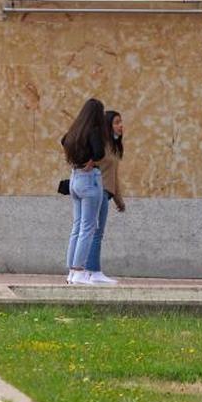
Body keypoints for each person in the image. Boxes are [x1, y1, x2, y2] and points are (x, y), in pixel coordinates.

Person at [61, 98, 108, 286]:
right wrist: (91, 160)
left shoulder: (75, 129)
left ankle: (72, 271)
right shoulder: (94, 130)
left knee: (77, 226)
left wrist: (77, 159)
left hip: (75, 177)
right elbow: (100, 153)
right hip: (89, 180)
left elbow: (63, 140)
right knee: (88, 227)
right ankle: (80, 271)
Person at [86, 110, 126, 285]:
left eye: (121, 122)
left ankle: (89, 270)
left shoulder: (114, 148)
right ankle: (93, 271)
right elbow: (87, 163)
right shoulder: (100, 146)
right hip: (97, 191)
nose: (121, 125)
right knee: (96, 232)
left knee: (95, 232)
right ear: (108, 125)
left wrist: (119, 200)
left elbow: (114, 176)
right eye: (116, 122)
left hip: (106, 194)